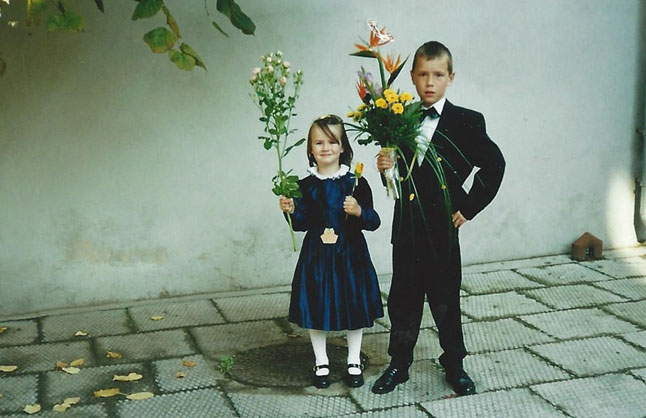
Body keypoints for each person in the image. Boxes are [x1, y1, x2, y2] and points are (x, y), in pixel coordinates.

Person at [371, 41, 506, 396]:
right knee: (403, 297)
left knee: (445, 298)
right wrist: (386, 168)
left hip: (442, 226)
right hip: (407, 225)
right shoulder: (399, 116)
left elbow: (494, 165)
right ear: (412, 77)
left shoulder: (467, 121)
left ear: (450, 77)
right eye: (422, 75)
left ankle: (455, 364)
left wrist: (469, 208)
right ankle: (399, 364)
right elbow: (397, 179)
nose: (430, 82)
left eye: (438, 75)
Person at [279, 114, 384, 389]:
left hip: (350, 255)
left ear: (343, 146)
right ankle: (321, 360)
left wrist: (359, 211)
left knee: (353, 305)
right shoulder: (304, 186)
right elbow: (301, 224)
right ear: (310, 149)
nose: (326, 147)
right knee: (317, 305)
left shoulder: (355, 182)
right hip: (317, 256)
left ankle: (353, 359)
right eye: (319, 142)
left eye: (332, 141)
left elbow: (373, 222)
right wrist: (291, 210)